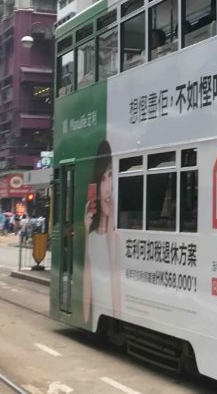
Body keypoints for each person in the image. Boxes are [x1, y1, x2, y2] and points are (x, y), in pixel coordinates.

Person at [83, 140, 122, 328]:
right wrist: (85, 229)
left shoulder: (115, 238)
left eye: (112, 175)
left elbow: (116, 288)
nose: (109, 187)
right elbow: (84, 312)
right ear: (97, 186)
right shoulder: (91, 237)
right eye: (104, 178)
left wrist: (112, 224)